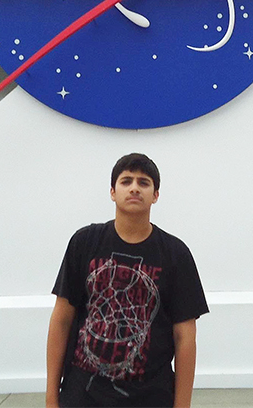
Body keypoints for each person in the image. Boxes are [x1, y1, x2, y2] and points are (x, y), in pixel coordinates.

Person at [46, 153, 209, 408]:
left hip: (151, 397)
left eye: (144, 182)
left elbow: (185, 337)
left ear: (155, 195)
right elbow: (61, 319)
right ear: (112, 191)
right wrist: (51, 396)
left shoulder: (176, 254)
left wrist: (183, 405)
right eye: (126, 181)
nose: (134, 188)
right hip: (82, 397)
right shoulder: (84, 243)